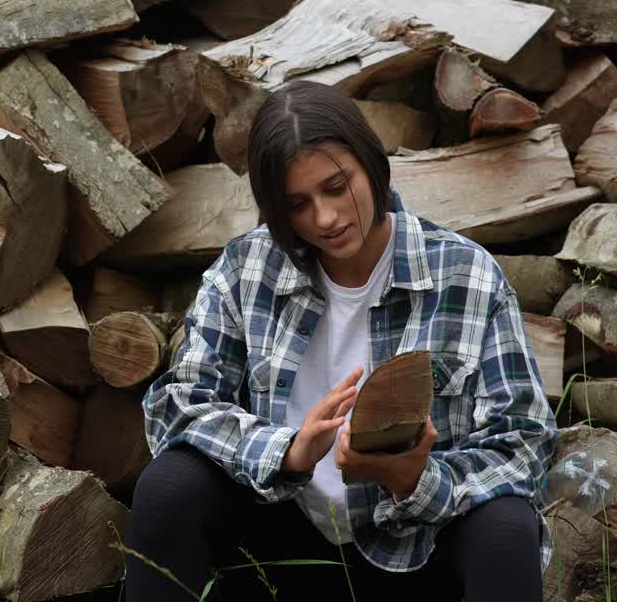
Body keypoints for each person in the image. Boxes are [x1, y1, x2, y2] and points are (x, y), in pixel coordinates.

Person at [127, 81, 559, 601]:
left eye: (337, 186)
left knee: (508, 527)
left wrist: (414, 479)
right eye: (298, 204)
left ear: (370, 163)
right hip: (282, 536)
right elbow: (177, 406)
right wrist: (289, 451)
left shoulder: (465, 274)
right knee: (169, 487)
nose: (325, 218)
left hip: (415, 544)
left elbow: (525, 443)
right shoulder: (247, 268)